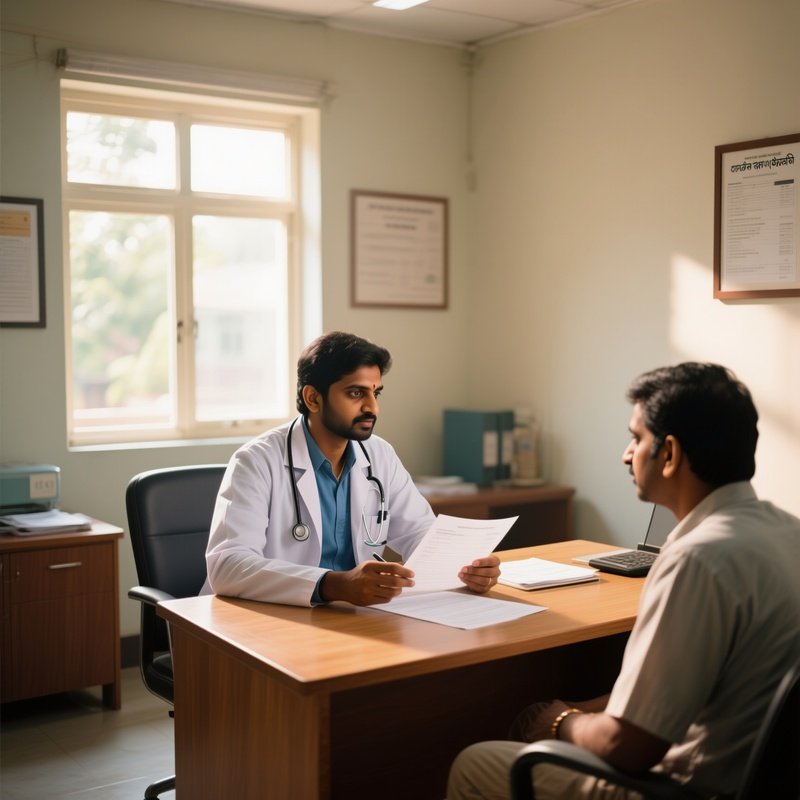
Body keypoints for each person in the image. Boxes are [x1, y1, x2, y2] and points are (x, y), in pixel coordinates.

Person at [448, 362, 800, 800]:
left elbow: (629, 748)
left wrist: (557, 722)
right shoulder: (789, 533)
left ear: (669, 454)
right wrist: (584, 712)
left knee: (476, 762)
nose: (626, 454)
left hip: (683, 788)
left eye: (637, 439)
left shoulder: (698, 559)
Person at [204, 330, 500, 607]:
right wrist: (334, 584)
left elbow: (418, 532)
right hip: (266, 618)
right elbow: (228, 565)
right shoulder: (257, 460)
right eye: (356, 394)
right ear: (313, 398)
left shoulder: (379, 454)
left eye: (376, 393)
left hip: (351, 615)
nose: (373, 408)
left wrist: (467, 567)